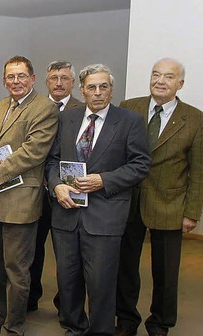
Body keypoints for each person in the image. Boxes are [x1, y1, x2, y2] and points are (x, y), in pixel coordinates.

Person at [46, 64, 151, 336]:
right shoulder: (67, 118)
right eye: (92, 87)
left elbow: (140, 165)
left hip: (105, 216)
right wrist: (56, 186)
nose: (98, 92)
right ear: (82, 89)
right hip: (66, 213)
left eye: (104, 86)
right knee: (68, 280)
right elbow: (53, 160)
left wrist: (103, 180)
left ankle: (102, 331)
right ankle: (73, 327)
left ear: (111, 90)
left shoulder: (129, 121)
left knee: (101, 283)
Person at [115, 58, 202, 336]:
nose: (160, 81)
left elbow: (198, 171)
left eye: (168, 76)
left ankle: (160, 322)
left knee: (165, 272)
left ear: (180, 84)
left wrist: (192, 212)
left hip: (170, 204)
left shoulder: (195, 118)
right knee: (125, 266)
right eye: (155, 74)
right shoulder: (130, 107)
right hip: (127, 201)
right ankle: (126, 320)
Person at [0, 55, 58, 335]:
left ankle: (15, 324)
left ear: (32, 79)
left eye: (21, 76)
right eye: (10, 77)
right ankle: (1, 314)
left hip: (20, 200)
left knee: (17, 268)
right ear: (4, 80)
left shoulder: (44, 108)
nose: (16, 81)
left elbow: (35, 150)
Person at [28, 60, 84, 312]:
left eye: (64, 78)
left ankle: (66, 304)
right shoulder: (35, 106)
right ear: (45, 81)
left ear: (73, 83)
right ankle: (29, 298)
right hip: (35, 191)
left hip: (67, 192)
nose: (59, 82)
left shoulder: (84, 110)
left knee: (68, 255)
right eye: (54, 78)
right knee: (32, 250)